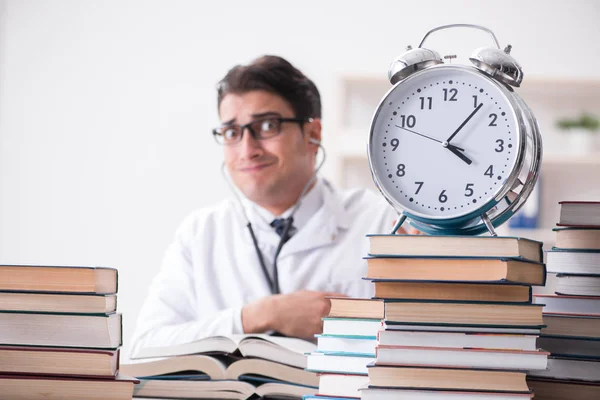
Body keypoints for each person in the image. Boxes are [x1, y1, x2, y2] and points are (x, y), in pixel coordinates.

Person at [130, 55, 407, 357]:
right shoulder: (201, 233)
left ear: (312, 135)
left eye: (267, 125)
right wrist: (260, 315)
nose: (247, 150)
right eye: (232, 133)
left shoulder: (383, 222)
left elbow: (425, 339)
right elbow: (145, 347)